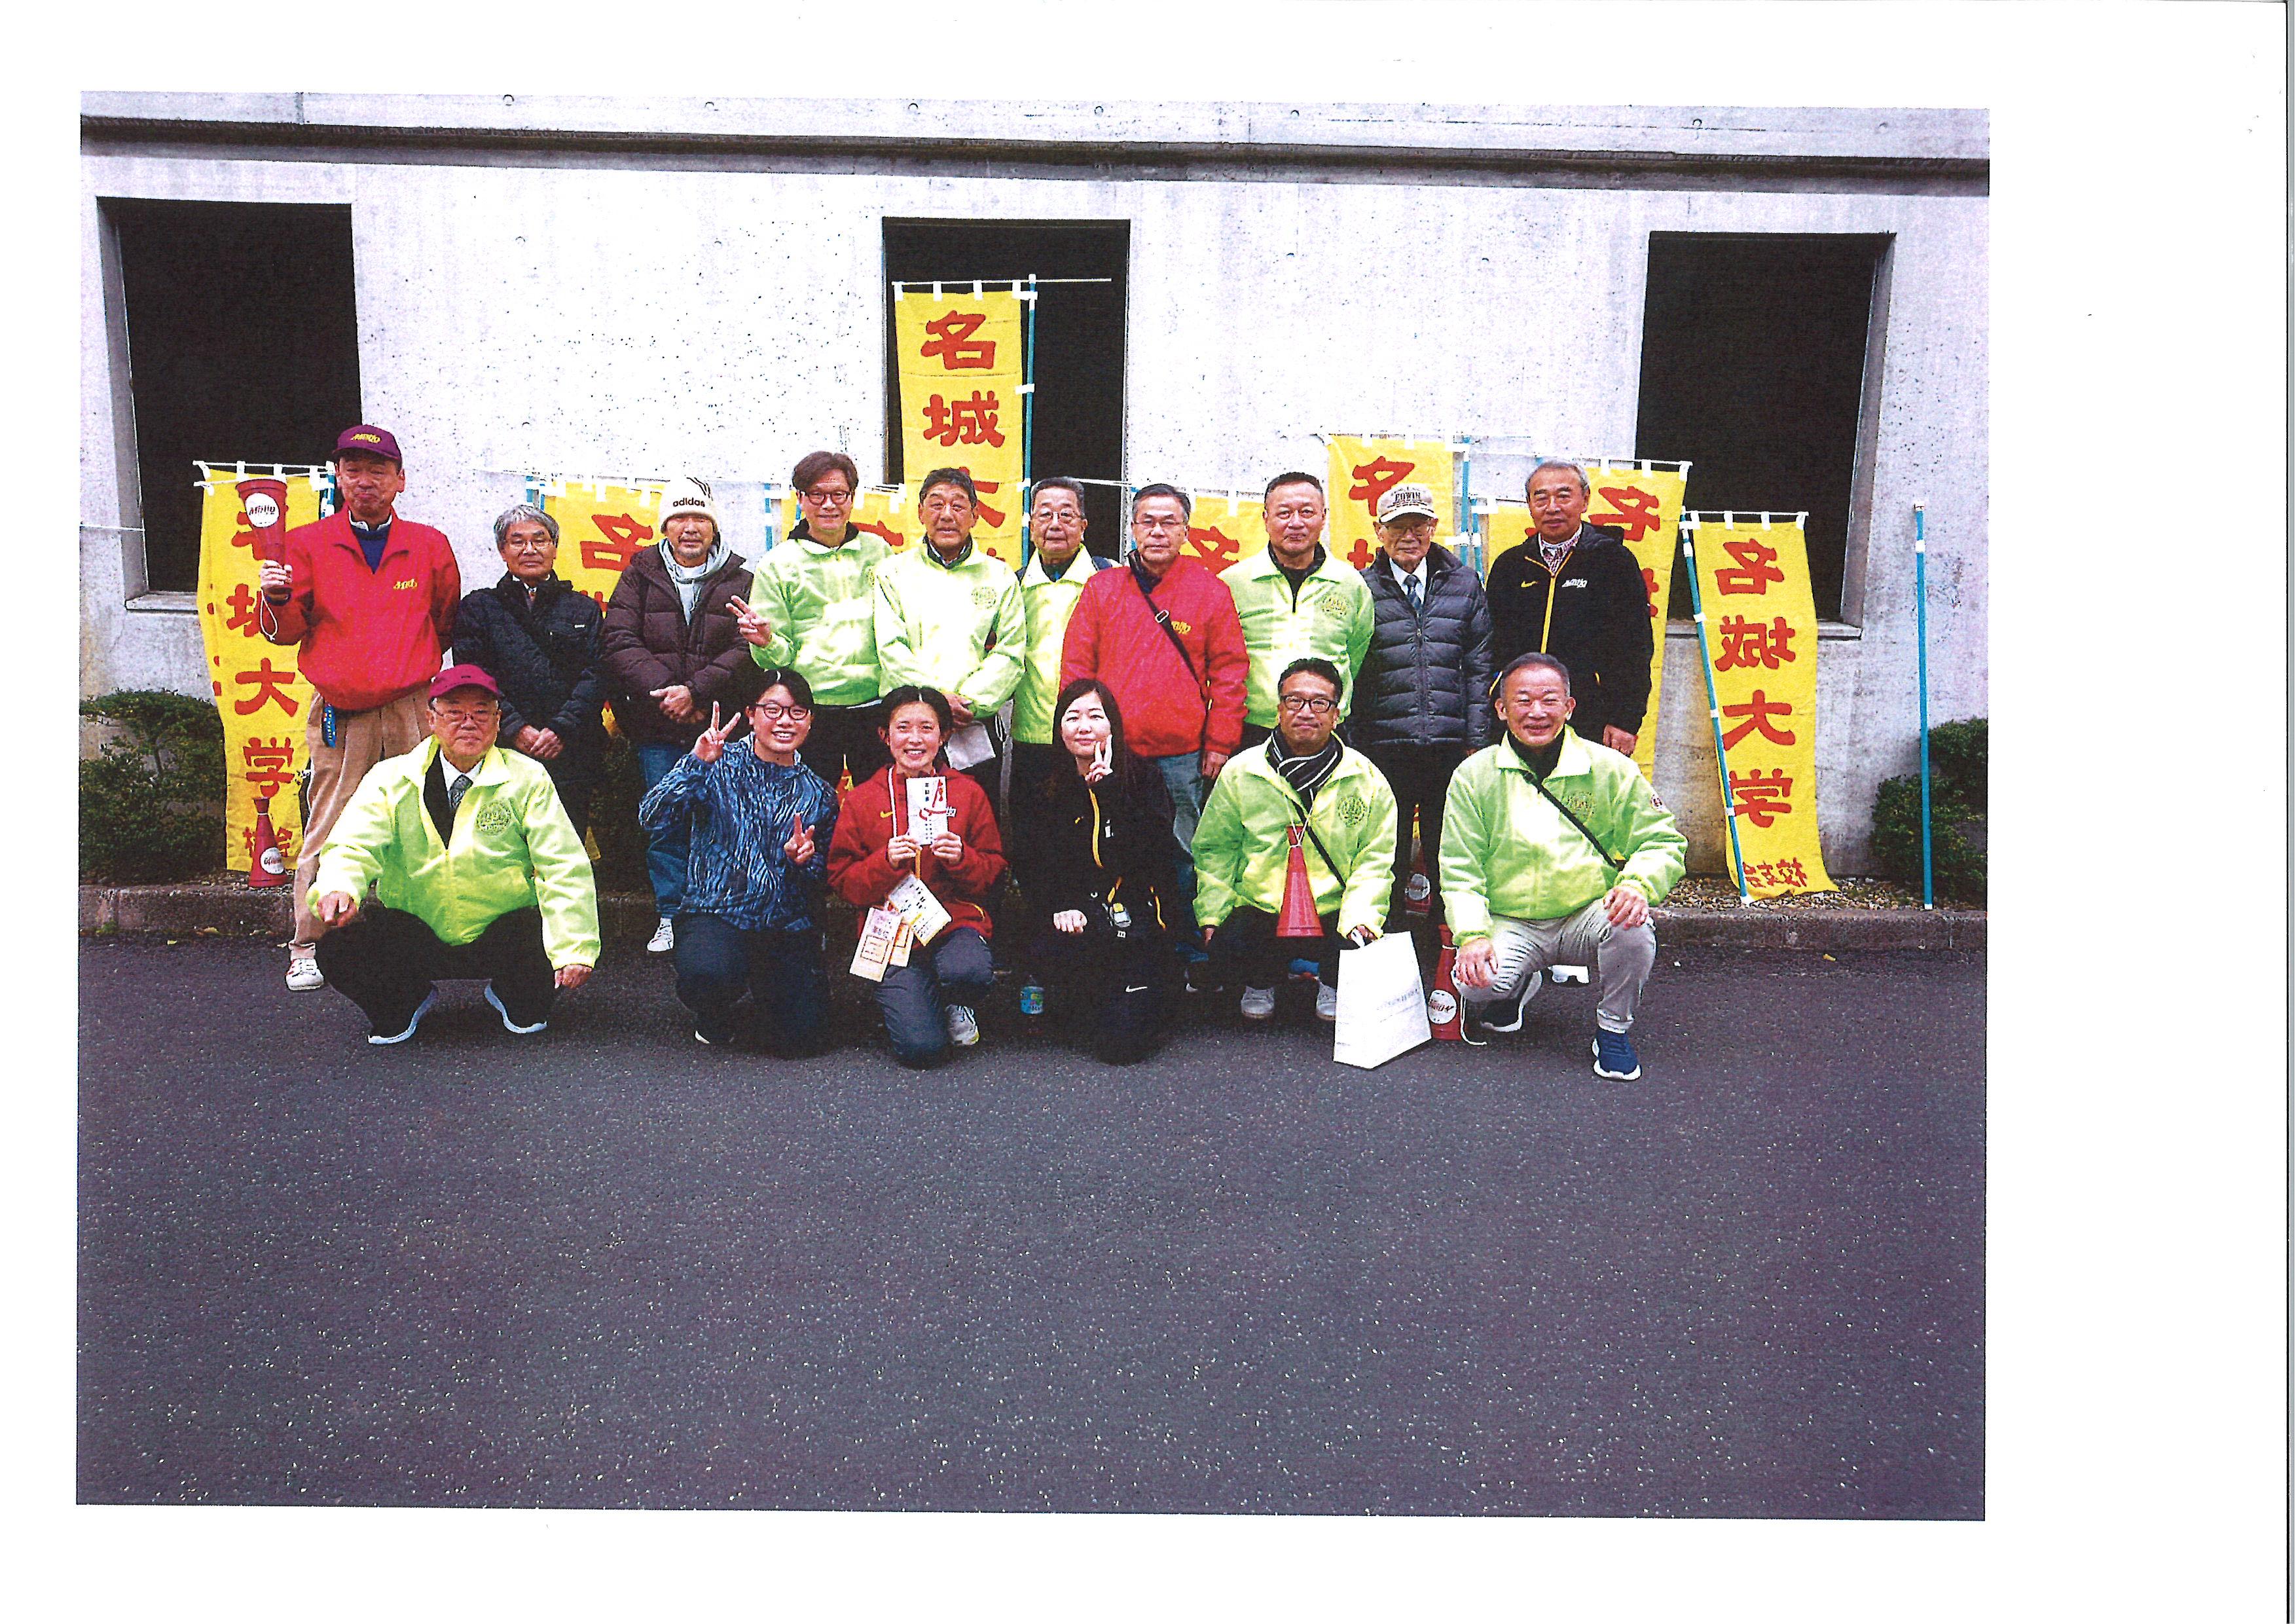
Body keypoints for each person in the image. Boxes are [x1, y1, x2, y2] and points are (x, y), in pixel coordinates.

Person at [257, 424, 460, 991]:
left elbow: (444, 619)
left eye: (377, 470)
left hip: (414, 707)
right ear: (338, 478)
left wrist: (406, 670)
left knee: (424, 821)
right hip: (341, 712)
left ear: (400, 480)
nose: (365, 481)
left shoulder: (429, 544)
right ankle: (307, 943)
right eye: (353, 469)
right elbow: (284, 630)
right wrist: (274, 598)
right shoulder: (306, 543)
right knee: (330, 822)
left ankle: (426, 936)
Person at [306, 665, 598, 1044]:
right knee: (340, 948)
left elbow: (561, 863)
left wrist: (574, 948)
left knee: (560, 942)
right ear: (431, 719)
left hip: (505, 929)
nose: (468, 723)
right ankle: (405, 1001)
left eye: (481, 713)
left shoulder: (529, 778)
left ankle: (513, 994)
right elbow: (354, 843)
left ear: (498, 721)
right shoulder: (389, 777)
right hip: (416, 928)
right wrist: (340, 886)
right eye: (454, 712)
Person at [1440, 652, 1686, 1081]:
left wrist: (1637, 885)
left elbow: (1662, 841)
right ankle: (1516, 983)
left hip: (1584, 914)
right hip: (1511, 918)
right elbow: (1461, 868)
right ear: (1501, 709)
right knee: (1473, 984)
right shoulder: (1473, 776)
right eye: (1522, 701)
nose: (1536, 712)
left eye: (1549, 700)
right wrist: (1472, 935)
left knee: (1633, 926)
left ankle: (1613, 1030)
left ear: (1569, 707)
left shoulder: (1610, 768)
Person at [600, 475, 765, 956]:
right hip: (657, 725)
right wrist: (670, 694)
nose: (690, 528)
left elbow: (746, 648)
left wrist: (696, 691)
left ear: (713, 527)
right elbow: (620, 641)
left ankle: (722, 912)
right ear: (665, 526)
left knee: (726, 820)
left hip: (722, 725)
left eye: (700, 518)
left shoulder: (742, 579)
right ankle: (671, 913)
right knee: (666, 819)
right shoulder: (639, 575)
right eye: (679, 518)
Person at [637, 671, 840, 1051]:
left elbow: (824, 877)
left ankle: (768, 993)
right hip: (716, 912)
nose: (784, 721)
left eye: (797, 712)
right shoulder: (717, 762)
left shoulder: (819, 793)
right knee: (708, 974)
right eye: (772, 710)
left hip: (783, 923)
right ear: (750, 714)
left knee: (803, 1039)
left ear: (811, 720)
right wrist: (695, 763)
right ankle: (713, 1010)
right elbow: (653, 816)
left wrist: (804, 860)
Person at [1190, 658, 1397, 1023]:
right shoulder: (1242, 771)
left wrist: (1362, 917)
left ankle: (1333, 982)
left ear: (1337, 714)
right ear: (1278, 709)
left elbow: (1375, 859)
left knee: (1365, 928)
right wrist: (1213, 913)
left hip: (1333, 907)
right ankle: (1259, 980)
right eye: (1294, 700)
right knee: (1231, 939)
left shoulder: (1366, 778)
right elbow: (1216, 849)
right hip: (1262, 905)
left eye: (1320, 703)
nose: (1306, 712)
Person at [1059, 482, 1249, 857]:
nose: (1158, 532)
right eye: (1147, 522)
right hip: (1112, 749)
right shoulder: (1103, 588)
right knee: (1112, 842)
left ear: (1186, 532)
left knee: (1182, 849)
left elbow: (1230, 674)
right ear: (1133, 528)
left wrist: (1220, 743)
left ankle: (1183, 899)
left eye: (1169, 522)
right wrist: (1082, 734)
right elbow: (1077, 669)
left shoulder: (1210, 591)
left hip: (1182, 754)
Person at [826, 686, 1008, 1068]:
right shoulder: (862, 799)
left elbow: (993, 872)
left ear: (943, 736)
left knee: (967, 972)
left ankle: (956, 1000)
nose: (915, 739)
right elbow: (843, 882)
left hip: (955, 922)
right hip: (892, 931)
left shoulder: (968, 793)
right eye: (903, 727)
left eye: (927, 728)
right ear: (885, 736)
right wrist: (885, 861)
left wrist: (963, 858)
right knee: (921, 1050)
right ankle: (905, 997)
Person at [1013, 680, 1187, 1063]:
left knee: (1122, 1045)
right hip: (1076, 915)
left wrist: (1110, 794)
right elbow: (1033, 862)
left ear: (1113, 726)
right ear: (1059, 729)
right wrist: (1059, 906)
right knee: (1072, 1005)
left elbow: (1152, 856)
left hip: (1134, 915)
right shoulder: (1045, 784)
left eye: (1095, 716)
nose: (1084, 727)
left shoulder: (1143, 778)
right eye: (1072, 717)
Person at [1353, 481, 1495, 947]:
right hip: (1383, 743)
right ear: (1379, 531)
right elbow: (1351, 668)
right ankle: (1387, 932)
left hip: (1449, 742)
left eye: (1419, 525)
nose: (1409, 536)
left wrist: (1476, 738)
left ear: (1434, 527)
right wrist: (1355, 744)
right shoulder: (1360, 587)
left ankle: (1447, 936)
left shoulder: (1464, 583)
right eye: (1398, 527)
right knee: (1385, 846)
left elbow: (1480, 665)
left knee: (1447, 845)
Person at [733, 450, 891, 791]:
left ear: (852, 497)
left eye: (839, 494)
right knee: (809, 807)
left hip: (876, 705)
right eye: (817, 495)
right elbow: (777, 658)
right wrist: (766, 641)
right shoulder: (778, 564)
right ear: (800, 498)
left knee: (881, 805)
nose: (829, 505)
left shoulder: (879, 552)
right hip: (812, 709)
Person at [871, 467, 1026, 807]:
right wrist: (935, 704)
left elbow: (1011, 651)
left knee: (974, 817)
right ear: (920, 512)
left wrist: (970, 702)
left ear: (975, 515)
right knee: (905, 819)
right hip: (910, 725)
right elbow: (891, 646)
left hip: (973, 722)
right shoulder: (893, 572)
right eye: (936, 504)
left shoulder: (999, 575)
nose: (946, 515)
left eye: (958, 506)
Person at [452, 503, 608, 837]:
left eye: (539, 540)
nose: (530, 549)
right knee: (500, 840)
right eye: (517, 541)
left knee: (564, 841)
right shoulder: (479, 607)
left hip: (571, 747)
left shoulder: (583, 609)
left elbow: (597, 674)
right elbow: (473, 675)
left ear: (555, 547)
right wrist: (516, 728)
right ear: (502, 551)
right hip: (501, 745)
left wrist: (560, 730)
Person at [1485, 460, 1654, 755]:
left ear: (1585, 500)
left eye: (1563, 496)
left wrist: (1625, 719)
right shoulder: (1510, 566)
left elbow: (1633, 647)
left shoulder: (1613, 561)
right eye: (1541, 498)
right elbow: (1491, 647)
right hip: (1519, 716)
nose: (1552, 507)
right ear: (1529, 504)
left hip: (1590, 717)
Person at [1220, 472, 1375, 747]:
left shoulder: (1350, 584)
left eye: (1307, 512)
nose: (1296, 523)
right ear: (1266, 519)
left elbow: (1356, 653)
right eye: (1284, 513)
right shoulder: (1233, 583)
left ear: (1323, 517)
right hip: (1253, 731)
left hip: (1327, 731)